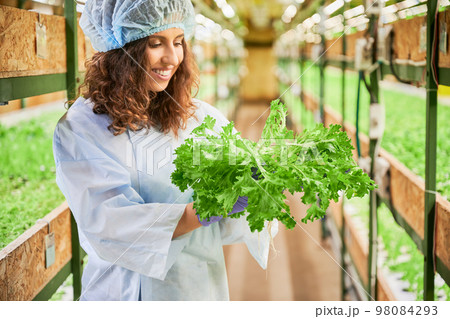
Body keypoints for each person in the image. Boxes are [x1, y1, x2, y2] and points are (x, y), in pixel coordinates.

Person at [53, 0, 277, 301]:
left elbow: (231, 225)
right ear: (121, 49)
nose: (172, 57)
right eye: (156, 43)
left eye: (179, 41)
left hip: (198, 288)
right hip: (124, 293)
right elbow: (109, 223)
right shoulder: (81, 128)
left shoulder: (199, 117)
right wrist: (200, 211)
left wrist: (253, 189)